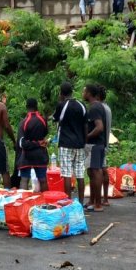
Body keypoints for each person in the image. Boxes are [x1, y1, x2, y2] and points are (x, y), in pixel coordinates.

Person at [53, 81, 87, 204]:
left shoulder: (62, 105)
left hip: (66, 143)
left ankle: (68, 201)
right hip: (80, 144)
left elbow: (56, 119)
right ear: (72, 92)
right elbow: (85, 125)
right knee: (80, 174)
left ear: (61, 93)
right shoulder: (81, 105)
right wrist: (84, 141)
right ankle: (81, 203)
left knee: (67, 173)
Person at [83, 84, 107, 212]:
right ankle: (92, 201)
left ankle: (98, 203)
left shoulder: (95, 108)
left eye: (84, 91)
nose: (83, 93)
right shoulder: (97, 106)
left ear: (89, 93)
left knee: (96, 171)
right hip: (97, 144)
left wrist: (87, 137)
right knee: (92, 172)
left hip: (95, 144)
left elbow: (99, 127)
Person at [17, 99, 49, 192]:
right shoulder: (43, 120)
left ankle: (24, 203)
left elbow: (22, 144)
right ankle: (45, 203)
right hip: (40, 154)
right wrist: (38, 143)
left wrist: (34, 143)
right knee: (43, 179)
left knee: (24, 179)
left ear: (26, 107)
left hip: (27, 155)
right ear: (37, 106)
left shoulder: (24, 122)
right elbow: (44, 135)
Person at [98, 86, 114, 207]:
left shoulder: (100, 108)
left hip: (100, 143)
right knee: (103, 169)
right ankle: (104, 198)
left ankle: (100, 199)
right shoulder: (107, 108)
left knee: (100, 170)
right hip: (105, 142)